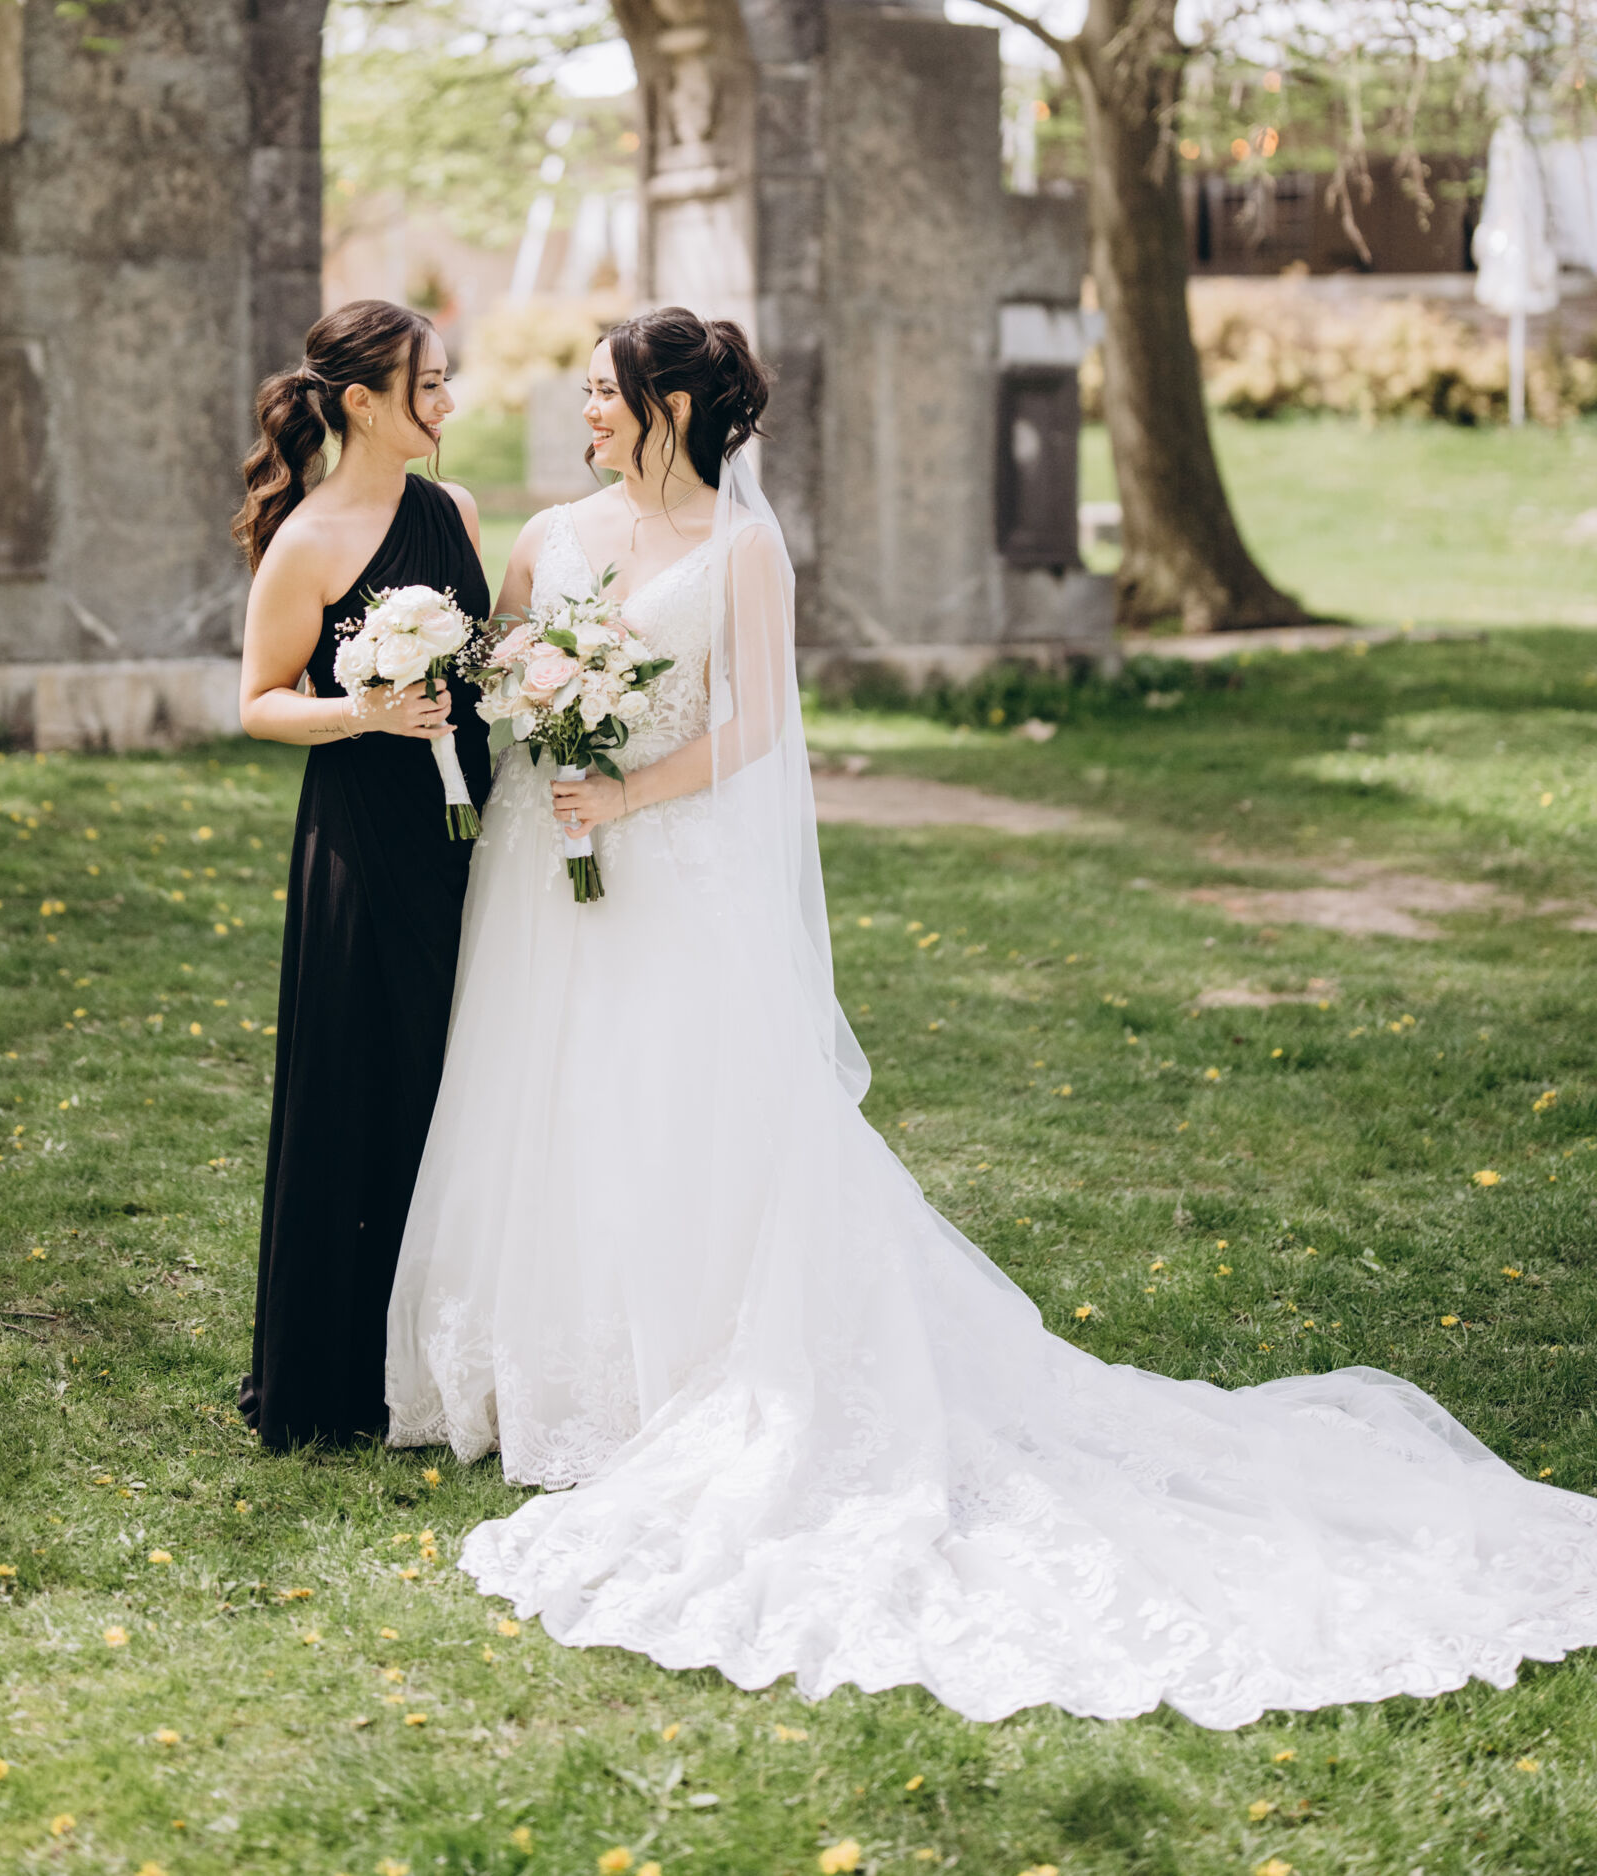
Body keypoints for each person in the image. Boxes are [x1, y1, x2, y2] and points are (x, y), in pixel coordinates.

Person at [389, 305, 1597, 1726]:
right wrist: (486, 706)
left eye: (605, 391)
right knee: (555, 1101)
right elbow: (506, 674)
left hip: (672, 866)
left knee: (684, 1111)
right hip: (549, 870)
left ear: (670, 408)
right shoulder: (549, 536)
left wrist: (627, 790)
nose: (584, 410)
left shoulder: (743, 550)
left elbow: (756, 727)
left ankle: (684, 1376)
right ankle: (544, 1379)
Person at [235, 301, 491, 1452]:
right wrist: (364, 711)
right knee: (360, 1081)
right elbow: (259, 702)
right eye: (427, 386)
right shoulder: (309, 540)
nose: (445, 402)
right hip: (359, 837)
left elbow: (486, 659)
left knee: (455, 1081)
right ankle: (337, 1376)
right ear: (363, 404)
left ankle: (447, 1366)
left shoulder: (455, 511)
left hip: (468, 830)